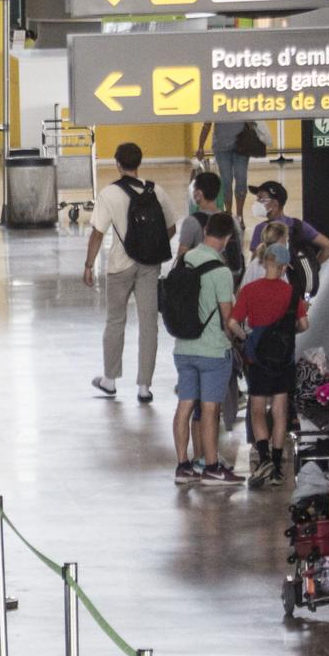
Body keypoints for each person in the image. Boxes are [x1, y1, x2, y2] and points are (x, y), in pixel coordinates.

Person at [85, 143, 175, 403]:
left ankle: (110, 380)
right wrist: (151, 246)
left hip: (119, 266)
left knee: (115, 321)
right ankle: (144, 387)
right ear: (139, 162)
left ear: (117, 163)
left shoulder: (109, 194)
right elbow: (169, 228)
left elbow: (98, 233)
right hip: (150, 265)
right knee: (149, 325)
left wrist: (89, 265)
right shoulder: (155, 190)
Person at [229, 222, 309, 489]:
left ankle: (262, 459)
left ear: (264, 263)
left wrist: (247, 338)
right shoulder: (291, 292)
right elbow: (303, 325)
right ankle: (276, 467)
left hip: (258, 359)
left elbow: (232, 323)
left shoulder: (250, 291)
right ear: (285, 267)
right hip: (284, 360)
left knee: (257, 409)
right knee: (279, 409)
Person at [171, 213, 242, 485]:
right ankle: (212, 466)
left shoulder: (185, 260)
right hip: (212, 350)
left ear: (205, 231)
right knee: (211, 409)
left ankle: (183, 466)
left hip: (183, 347)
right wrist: (240, 337)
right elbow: (228, 319)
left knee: (185, 405)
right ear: (227, 239)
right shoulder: (221, 271)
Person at [249, 180, 329, 271]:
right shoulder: (299, 225)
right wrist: (312, 267)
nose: (256, 202)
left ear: (275, 204)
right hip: (297, 283)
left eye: (260, 199)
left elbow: (254, 265)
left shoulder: (262, 229)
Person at [177, 170, 245, 280]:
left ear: (198, 194)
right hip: (228, 277)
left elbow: (182, 256)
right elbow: (239, 249)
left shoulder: (191, 222)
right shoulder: (232, 220)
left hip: (202, 279)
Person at [203, 124, 258, 219]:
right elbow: (207, 124)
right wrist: (201, 146)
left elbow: (252, 121)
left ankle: (239, 216)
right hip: (221, 147)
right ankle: (228, 214)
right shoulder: (214, 108)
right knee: (226, 181)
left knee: (241, 179)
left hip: (241, 145)